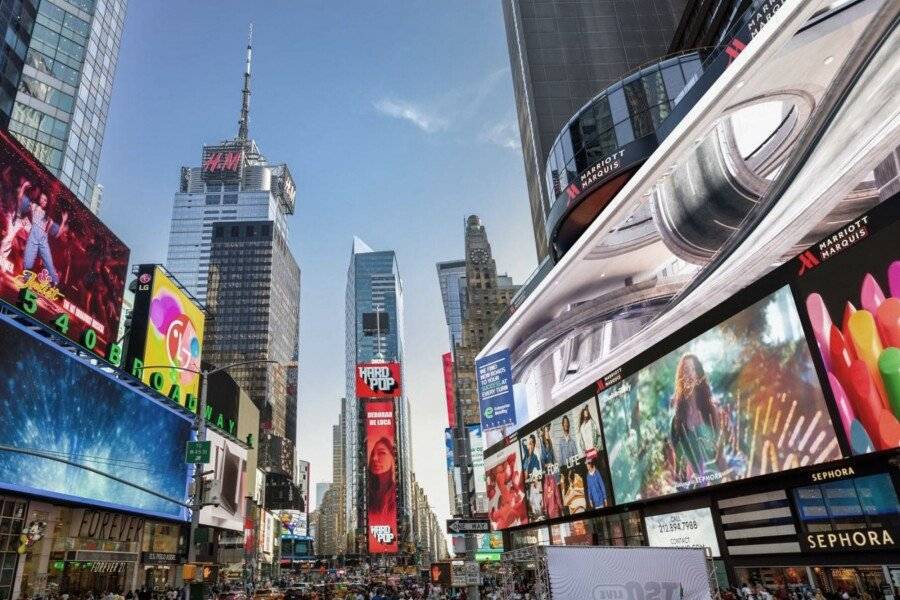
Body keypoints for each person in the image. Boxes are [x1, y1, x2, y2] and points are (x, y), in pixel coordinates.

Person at [667, 354, 737, 481]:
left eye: (693, 369)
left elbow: (721, 456)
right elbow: (679, 464)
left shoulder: (712, 411)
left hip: (717, 482)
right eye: (685, 370)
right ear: (680, 376)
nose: (689, 374)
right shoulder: (675, 421)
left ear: (698, 374)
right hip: (695, 489)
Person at [17, 182, 68, 286]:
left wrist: (63, 221)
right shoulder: (34, 206)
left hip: (43, 240)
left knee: (48, 263)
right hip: (33, 236)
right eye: (41, 198)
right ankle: (26, 279)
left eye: (45, 199)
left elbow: (58, 234)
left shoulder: (49, 219)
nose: (42, 200)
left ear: (47, 202)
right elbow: (20, 199)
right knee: (28, 260)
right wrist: (23, 187)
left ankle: (54, 283)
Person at [366, 436, 397, 534]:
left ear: (393, 459)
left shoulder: (397, 494)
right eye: (372, 454)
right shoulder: (364, 495)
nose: (374, 458)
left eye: (381, 453)